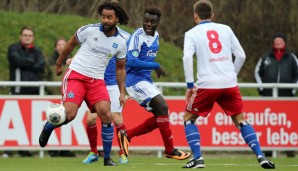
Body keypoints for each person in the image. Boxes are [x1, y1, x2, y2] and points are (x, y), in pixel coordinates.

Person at [181, 0, 275, 169]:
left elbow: (187, 58)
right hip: (229, 83)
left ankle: (198, 159)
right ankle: (261, 156)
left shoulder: (191, 33)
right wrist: (231, 75)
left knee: (188, 118)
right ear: (213, 15)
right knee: (240, 120)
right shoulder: (226, 29)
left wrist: (189, 85)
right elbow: (241, 56)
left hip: (207, 84)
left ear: (195, 16)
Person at [38, 1, 129, 166]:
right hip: (76, 76)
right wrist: (59, 64)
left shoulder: (121, 41)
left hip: (96, 81)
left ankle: (107, 158)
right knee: (70, 115)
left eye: (109, 17)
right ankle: (49, 127)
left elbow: (121, 69)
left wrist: (122, 92)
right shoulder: (89, 30)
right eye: (103, 17)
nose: (106, 20)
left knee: (106, 115)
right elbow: (70, 44)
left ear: (117, 19)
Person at [118, 7, 191, 161]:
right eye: (146, 21)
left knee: (161, 116)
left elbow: (146, 59)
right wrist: (156, 66)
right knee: (163, 107)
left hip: (145, 81)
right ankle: (170, 149)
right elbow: (131, 61)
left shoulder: (156, 36)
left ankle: (127, 135)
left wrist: (152, 69)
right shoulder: (138, 36)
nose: (148, 24)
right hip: (134, 81)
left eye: (153, 21)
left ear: (158, 22)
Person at [81, 26, 130, 164]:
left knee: (117, 118)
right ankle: (93, 152)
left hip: (113, 84)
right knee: (90, 119)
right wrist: (73, 59)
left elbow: (127, 63)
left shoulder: (125, 37)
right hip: (96, 82)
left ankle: (123, 153)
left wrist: (123, 91)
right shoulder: (97, 32)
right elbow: (86, 52)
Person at [255, 32, 298, 157]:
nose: (277, 42)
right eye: (276, 40)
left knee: (287, 123)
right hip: (268, 97)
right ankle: (268, 149)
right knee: (270, 123)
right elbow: (257, 73)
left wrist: (292, 90)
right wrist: (262, 89)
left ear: (284, 42)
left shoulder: (291, 58)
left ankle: (289, 150)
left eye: (280, 40)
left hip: (286, 97)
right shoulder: (265, 58)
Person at [7, 26, 45, 157]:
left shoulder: (37, 51)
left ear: (33, 37)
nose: (27, 37)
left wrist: (27, 63)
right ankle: (8, 151)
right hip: (18, 90)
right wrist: (32, 63)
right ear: (20, 36)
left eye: (30, 35)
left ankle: (25, 150)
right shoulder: (13, 48)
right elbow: (16, 60)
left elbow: (41, 65)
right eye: (25, 35)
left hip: (34, 91)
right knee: (13, 121)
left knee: (30, 123)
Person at [47, 38, 75, 157]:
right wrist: (50, 91)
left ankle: (65, 149)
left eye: (64, 44)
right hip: (52, 96)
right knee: (53, 120)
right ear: (55, 47)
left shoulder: (75, 61)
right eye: (59, 45)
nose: (62, 47)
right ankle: (52, 149)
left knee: (66, 120)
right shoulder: (49, 61)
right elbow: (44, 77)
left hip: (69, 96)